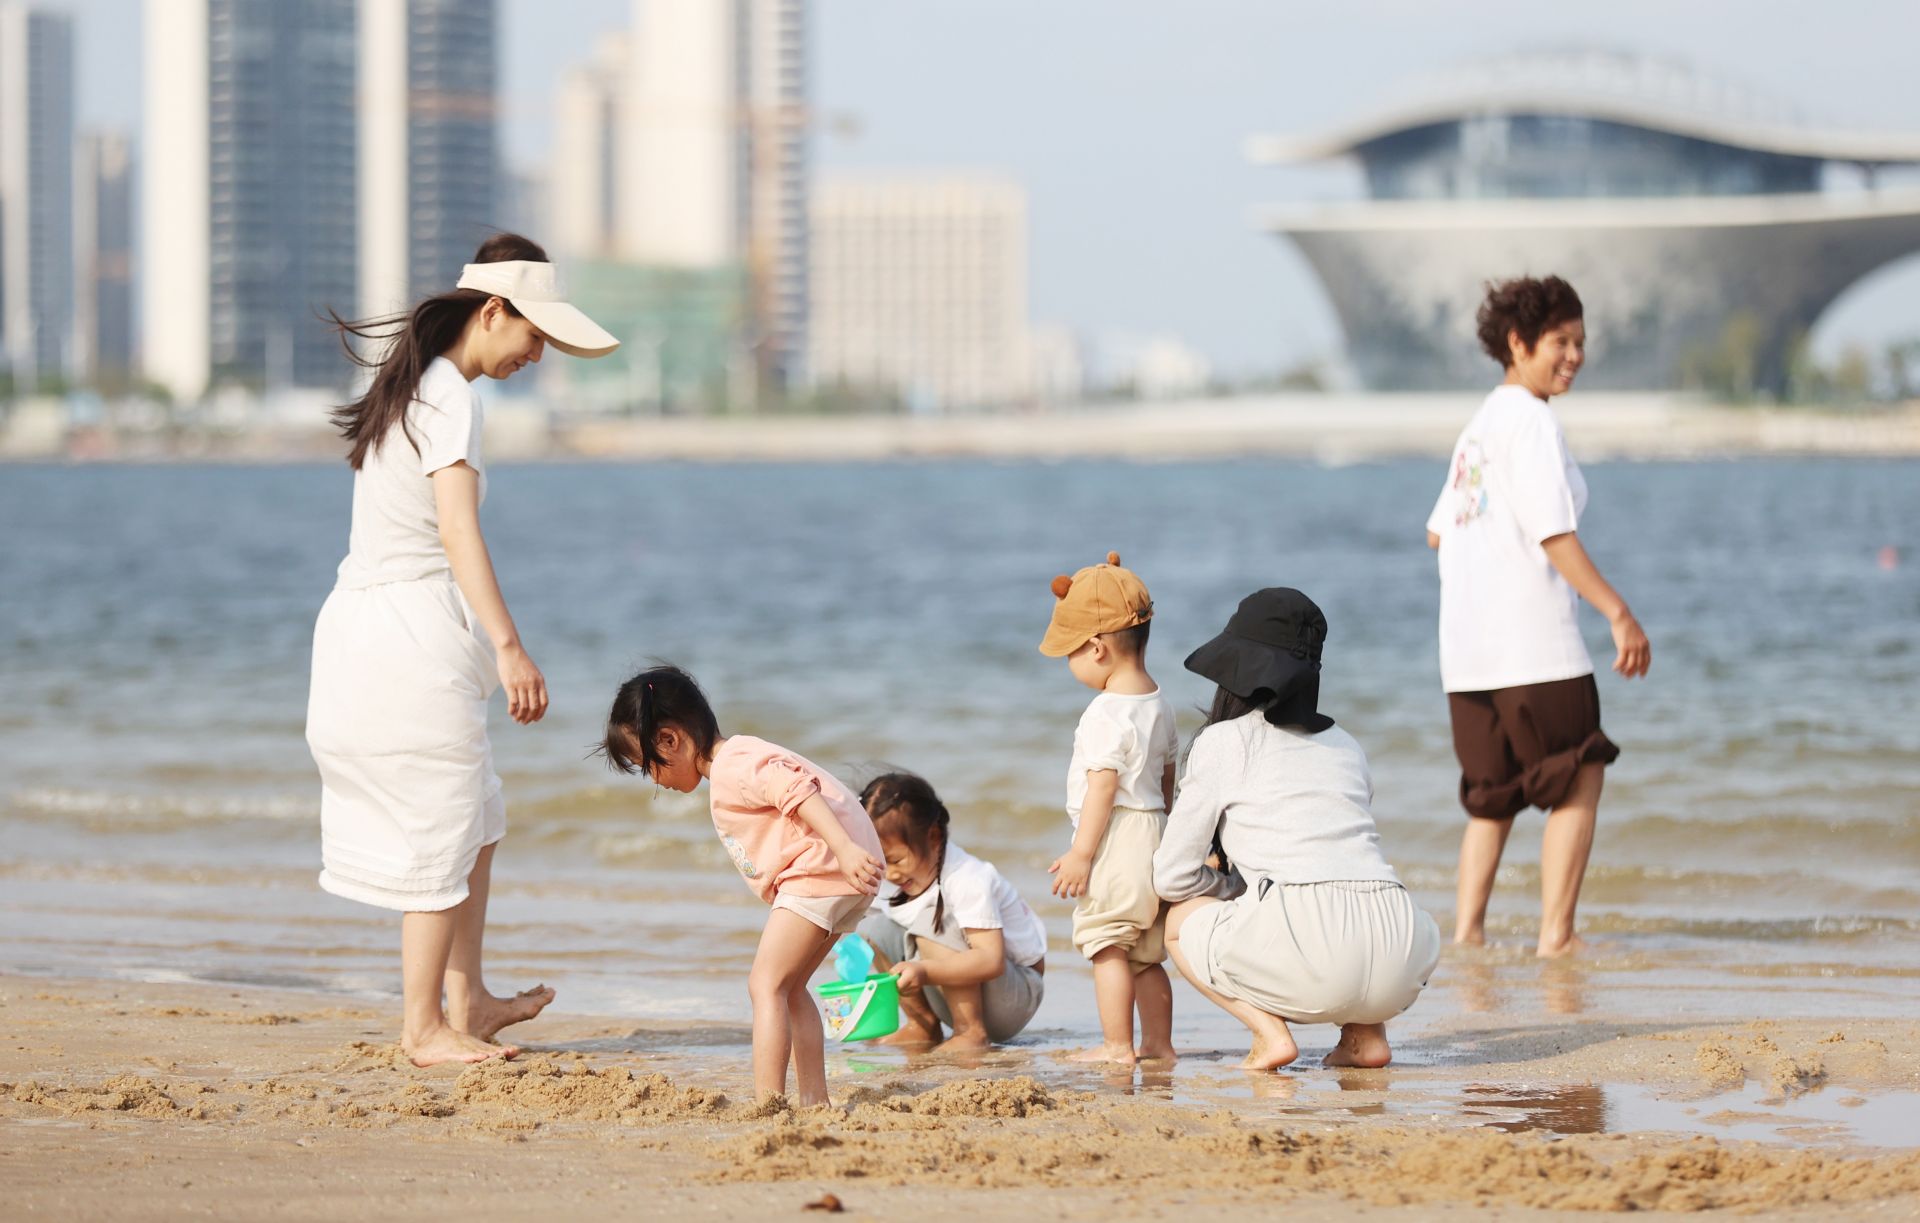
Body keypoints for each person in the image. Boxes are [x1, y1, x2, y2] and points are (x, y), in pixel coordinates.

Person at [306, 233, 618, 1066]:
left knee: (477, 816)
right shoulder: (450, 397)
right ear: (493, 311)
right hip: (403, 642)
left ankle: (467, 999)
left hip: (369, 632)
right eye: (535, 335)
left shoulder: (412, 385)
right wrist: (510, 647)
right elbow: (455, 528)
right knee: (441, 826)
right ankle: (423, 1028)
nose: (537, 355)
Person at [1426, 275, 1652, 957]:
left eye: (1581, 342)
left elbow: (1440, 531)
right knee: (1581, 767)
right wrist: (1618, 611)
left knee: (1491, 795)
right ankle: (1556, 934)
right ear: (1518, 343)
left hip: (1466, 654)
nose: (1575, 355)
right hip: (1532, 643)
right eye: (1561, 341)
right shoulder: (1532, 419)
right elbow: (1554, 532)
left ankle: (1468, 936)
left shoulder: (1480, 425)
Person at [1154, 588, 1441, 1071]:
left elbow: (1171, 875)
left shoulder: (1226, 743)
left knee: (1178, 925)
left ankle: (1270, 1037)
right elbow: (1340, 851)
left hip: (1312, 949)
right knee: (1345, 894)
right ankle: (1365, 1037)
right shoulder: (1347, 745)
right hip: (1404, 944)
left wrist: (1228, 888)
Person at [598, 665, 885, 1106]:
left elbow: (797, 789)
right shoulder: (740, 758)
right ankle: (814, 1100)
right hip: (839, 872)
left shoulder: (734, 765)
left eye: (647, 767)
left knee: (764, 985)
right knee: (789, 989)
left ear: (670, 740)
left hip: (823, 869)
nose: (655, 780)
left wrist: (843, 849)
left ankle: (767, 1101)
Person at [1038, 552, 1178, 1064]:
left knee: (1106, 944)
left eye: (1069, 654)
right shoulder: (1159, 702)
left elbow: (1102, 788)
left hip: (1116, 836)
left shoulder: (1105, 712)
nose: (1068, 665)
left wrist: (1080, 853)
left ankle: (1118, 1047)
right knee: (1145, 952)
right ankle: (1159, 1046)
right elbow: (1167, 776)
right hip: (1155, 829)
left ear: (1096, 648)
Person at [855, 771, 1047, 1050]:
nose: (891, 874)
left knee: (934, 919)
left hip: (1012, 998)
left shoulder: (967, 879)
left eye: (896, 860)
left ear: (933, 836)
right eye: (882, 863)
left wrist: (924, 970)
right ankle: (923, 1025)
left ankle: (970, 1032)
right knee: (874, 928)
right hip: (962, 989)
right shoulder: (900, 878)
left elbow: (991, 960)